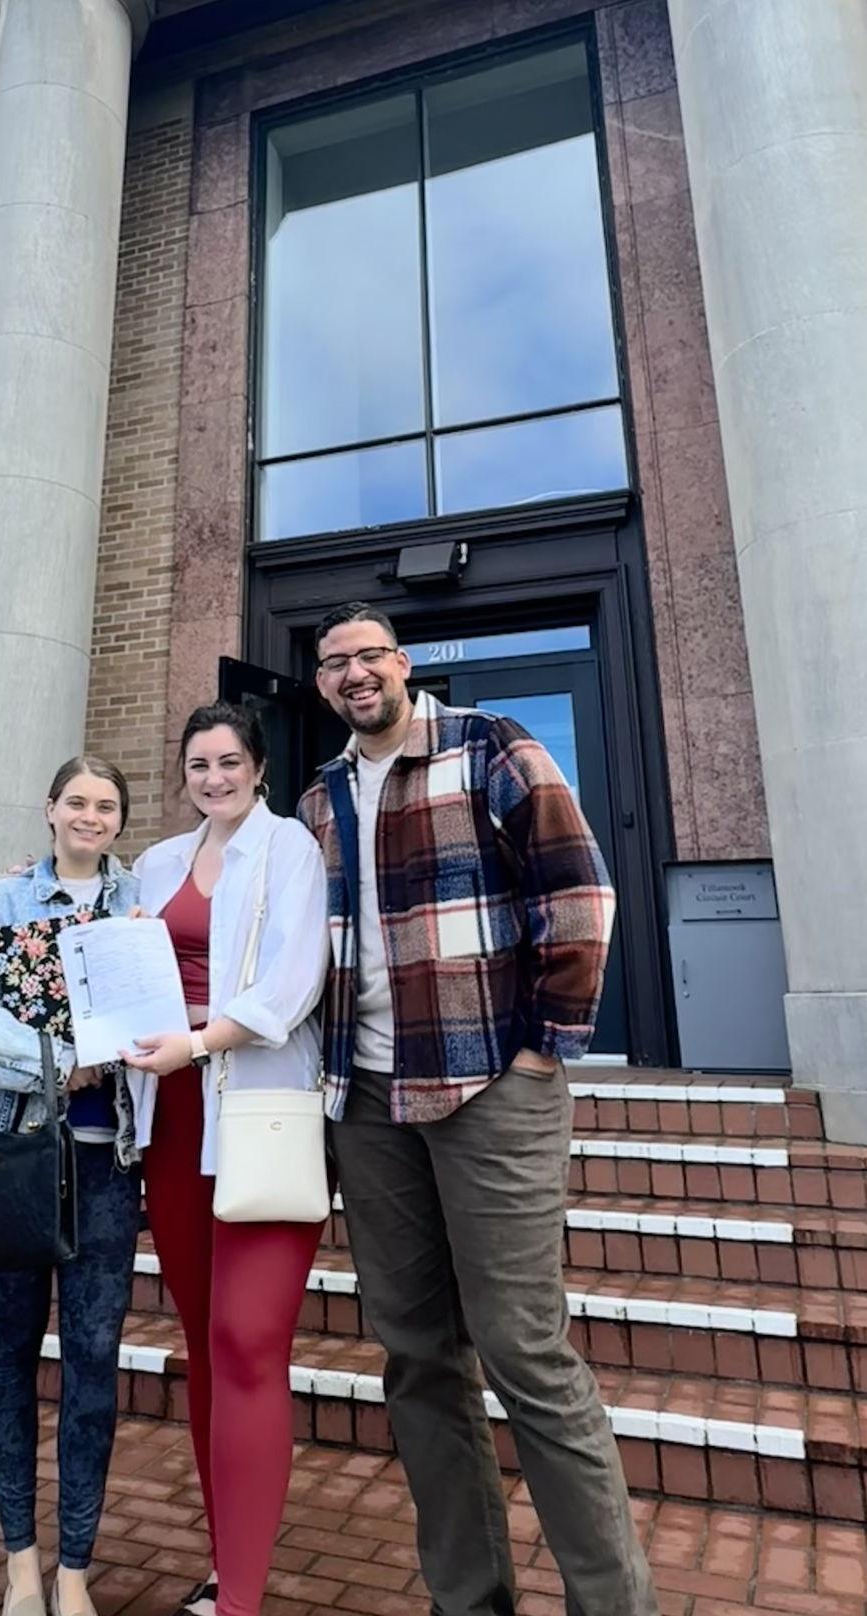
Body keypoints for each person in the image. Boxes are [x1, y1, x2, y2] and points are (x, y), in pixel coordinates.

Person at [298, 602, 660, 1616]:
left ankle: (611, 1604)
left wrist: (547, 1046)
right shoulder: (318, 797)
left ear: (401, 663)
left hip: (485, 1084)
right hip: (367, 1100)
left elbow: (578, 890)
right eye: (335, 662)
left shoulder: (486, 743)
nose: (354, 673)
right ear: (322, 682)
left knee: (523, 1348)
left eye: (369, 655)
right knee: (414, 1354)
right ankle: (469, 1599)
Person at [125, 701, 330, 1616]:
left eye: (230, 761)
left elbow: (293, 983)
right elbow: (116, 959)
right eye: (199, 764)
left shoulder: (290, 849)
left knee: (249, 1342)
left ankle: (240, 1601)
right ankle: (225, 1564)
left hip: (256, 1110)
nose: (215, 777)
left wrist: (199, 1042)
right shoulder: (158, 862)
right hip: (168, 1119)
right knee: (206, 1345)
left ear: (259, 768)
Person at [0, 756, 146, 1616]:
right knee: (10, 1355)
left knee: (92, 1363)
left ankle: (75, 1569)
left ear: (120, 820)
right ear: (48, 809)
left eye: (107, 805)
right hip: (9, 1159)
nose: (90, 817)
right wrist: (55, 1063)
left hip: (105, 1166)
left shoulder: (141, 905)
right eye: (77, 802)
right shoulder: (3, 901)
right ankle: (20, 1559)